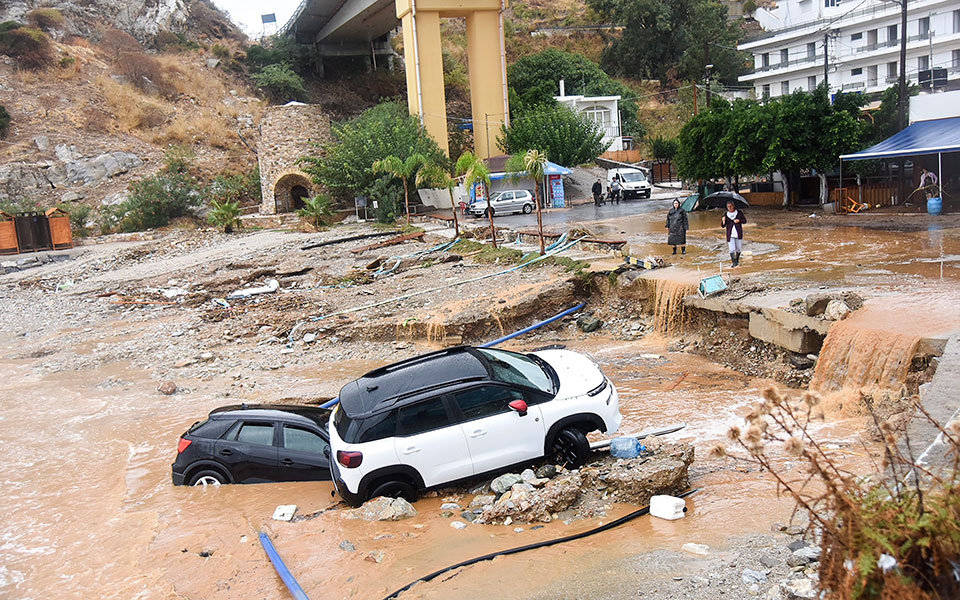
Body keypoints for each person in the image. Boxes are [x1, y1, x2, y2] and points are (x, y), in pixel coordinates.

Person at [721, 200, 746, 267]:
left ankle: (737, 260)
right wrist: (723, 221)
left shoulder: (739, 213)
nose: (730, 208)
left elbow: (744, 221)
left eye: (731, 206)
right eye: (728, 207)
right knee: (731, 249)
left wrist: (739, 220)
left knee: (738, 249)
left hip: (738, 234)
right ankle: (734, 263)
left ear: (733, 206)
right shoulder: (726, 214)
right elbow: (723, 226)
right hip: (730, 234)